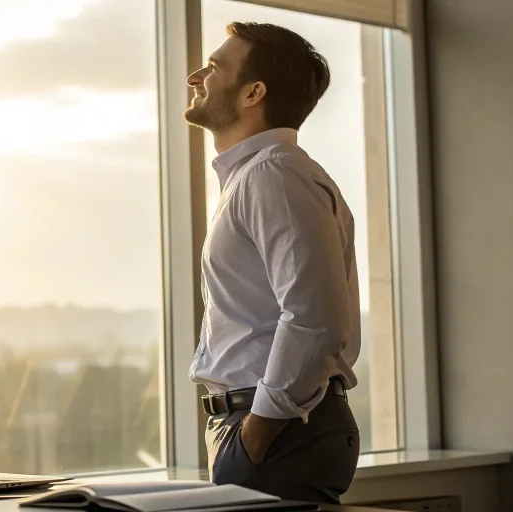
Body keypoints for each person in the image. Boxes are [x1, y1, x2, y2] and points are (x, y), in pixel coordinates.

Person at [183, 22, 361, 504]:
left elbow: (314, 319)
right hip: (265, 430)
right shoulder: (258, 176)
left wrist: (258, 432)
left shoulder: (274, 176)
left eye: (216, 67)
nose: (196, 76)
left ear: (253, 93)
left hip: (277, 433)